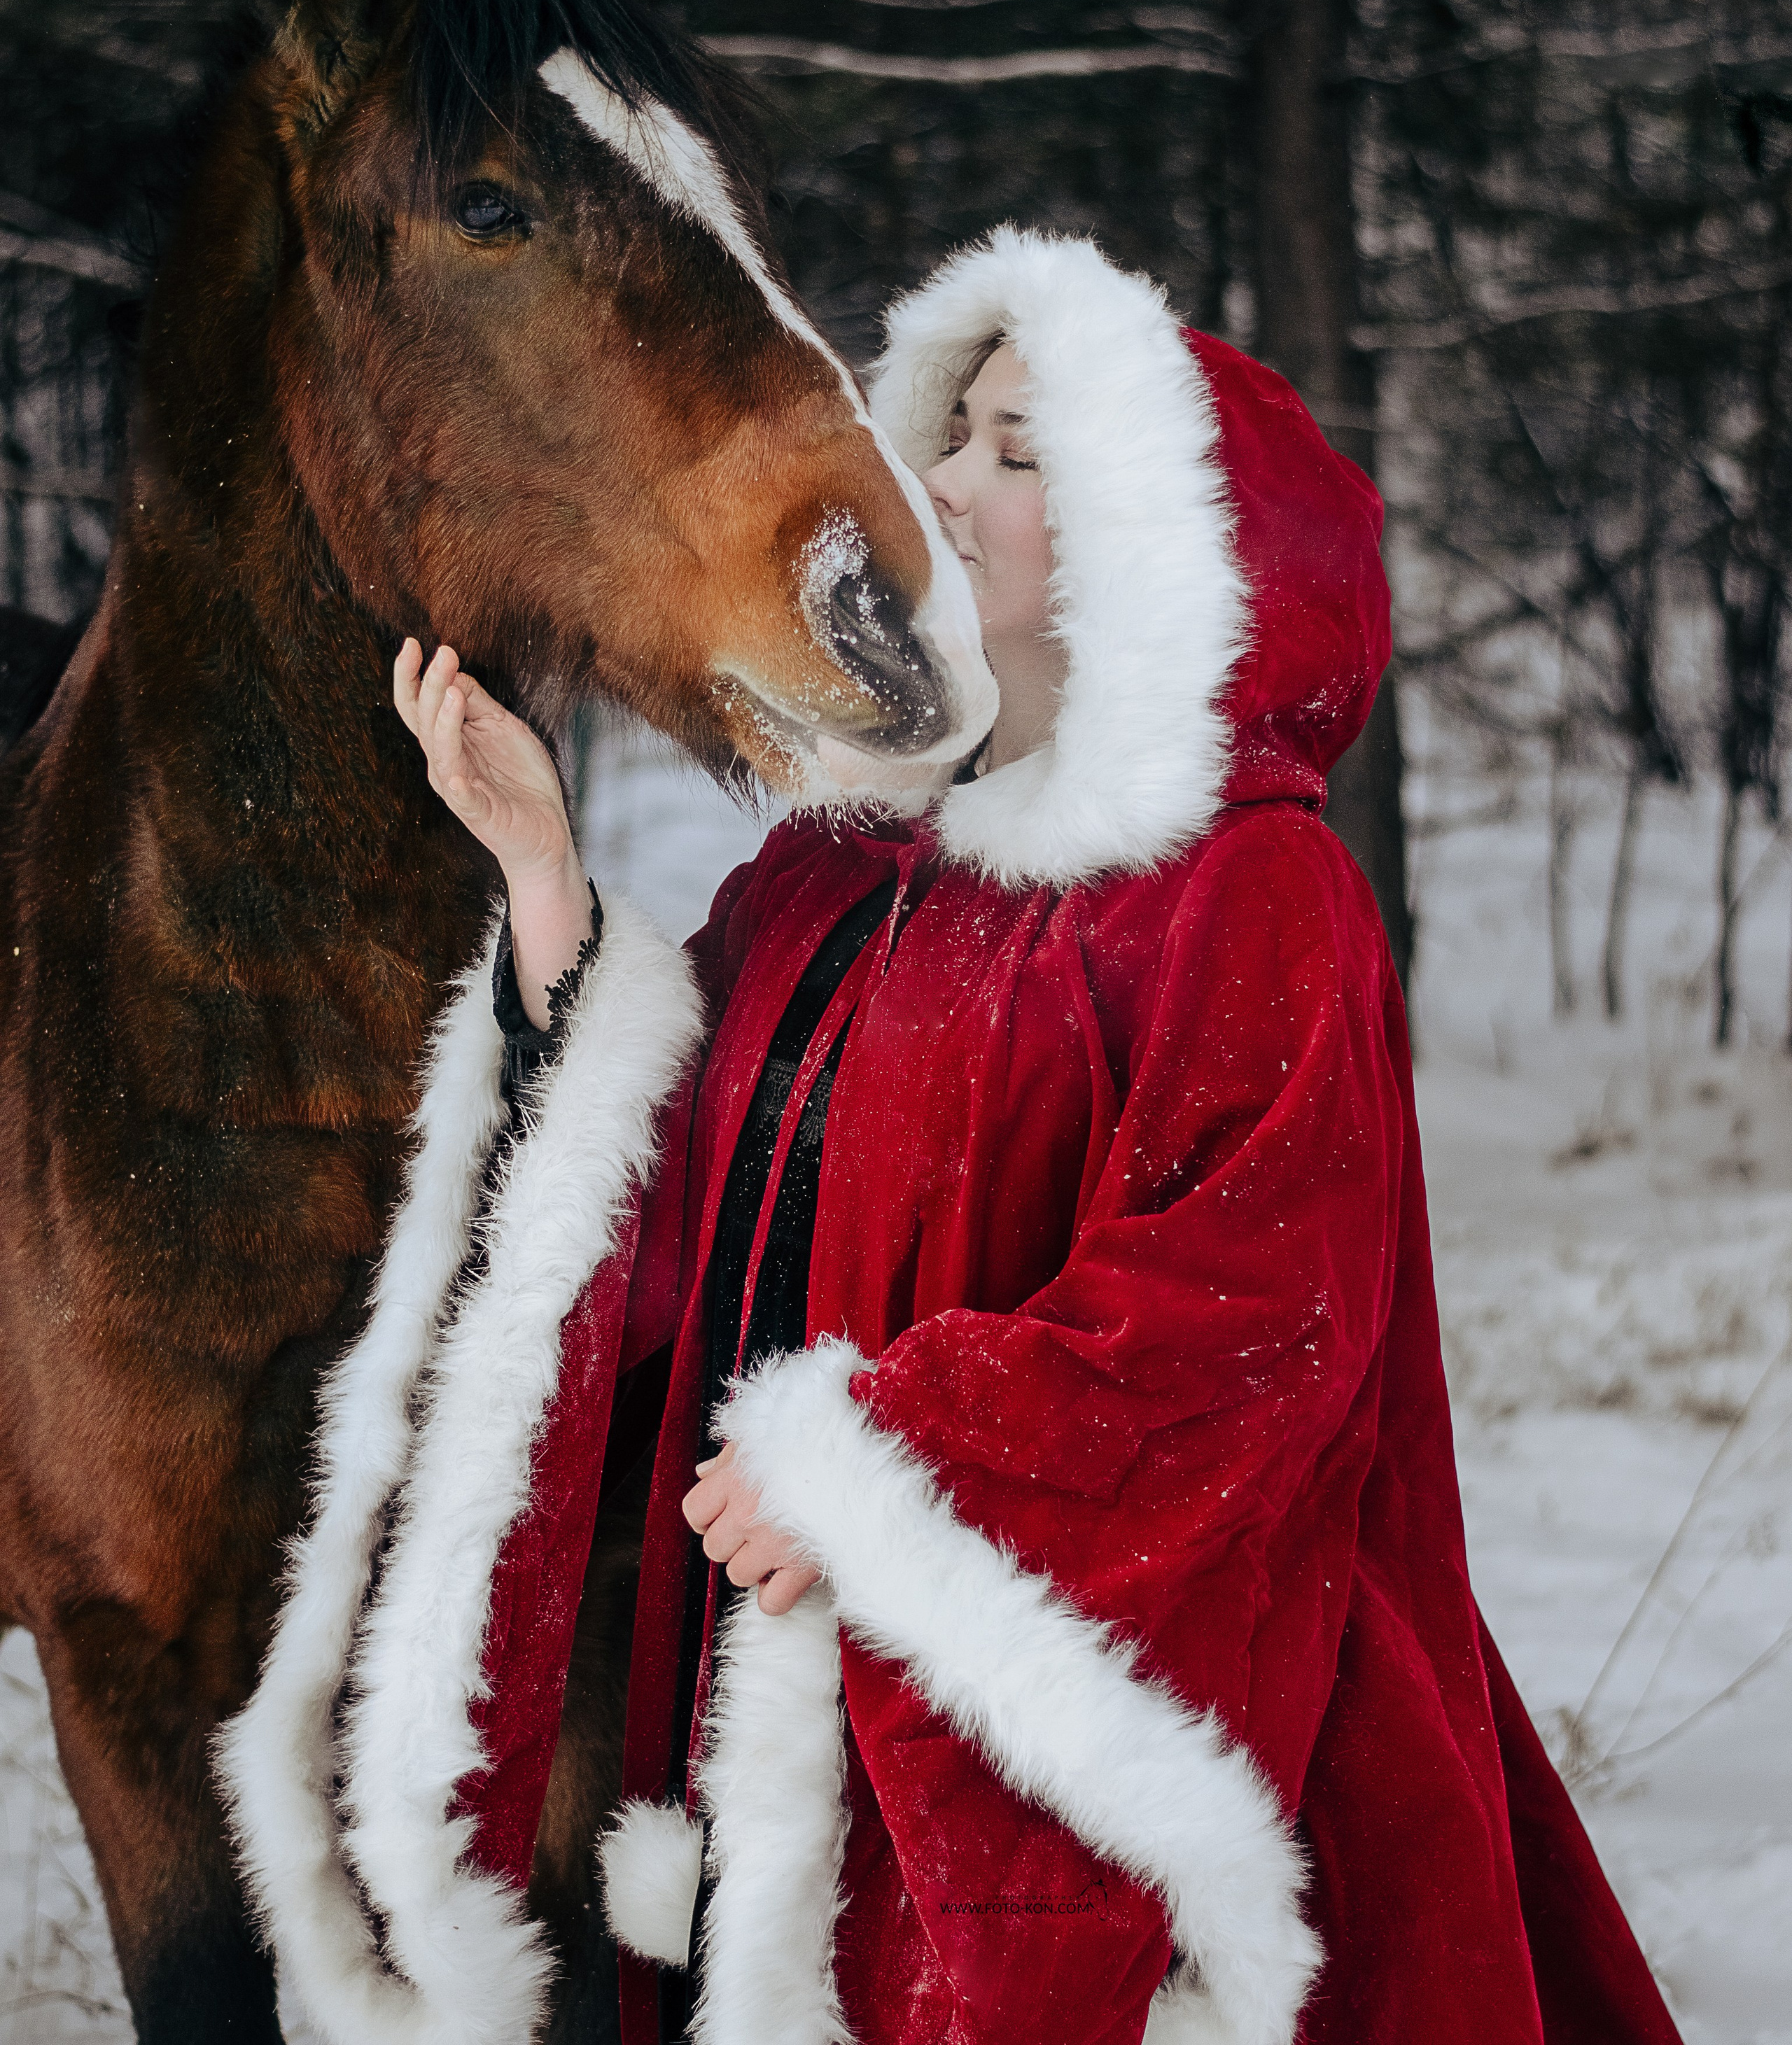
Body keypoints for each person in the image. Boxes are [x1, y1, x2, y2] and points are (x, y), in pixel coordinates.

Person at [224, 229, 1683, 2045]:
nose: (948, 480)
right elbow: (697, 1176)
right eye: (955, 433)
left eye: (1021, 449)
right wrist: (543, 882)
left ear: (1159, 530)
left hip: (1085, 1744)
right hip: (775, 1728)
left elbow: (1249, 1322)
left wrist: (880, 1460)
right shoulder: (851, 864)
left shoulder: (1250, 890)